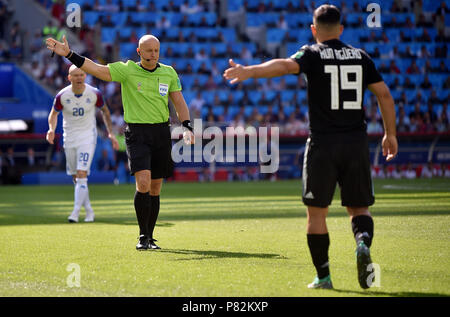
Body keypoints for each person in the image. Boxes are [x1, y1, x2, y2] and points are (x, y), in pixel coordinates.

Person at [224, 4, 398, 290]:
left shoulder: (311, 53)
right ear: (341, 28)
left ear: (314, 29)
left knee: (317, 214)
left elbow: (284, 66)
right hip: (356, 142)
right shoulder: (361, 57)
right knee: (359, 209)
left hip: (323, 143)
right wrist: (390, 134)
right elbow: (385, 95)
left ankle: (324, 276)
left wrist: (250, 71)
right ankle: (362, 243)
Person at [46, 34, 194, 251]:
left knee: (155, 188)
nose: (153, 54)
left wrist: (187, 125)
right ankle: (142, 236)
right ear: (139, 52)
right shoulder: (127, 70)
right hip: (137, 133)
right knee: (143, 182)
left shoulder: (168, 72)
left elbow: (178, 101)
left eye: (156, 50)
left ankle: (151, 237)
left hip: (161, 133)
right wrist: (69, 54)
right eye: (149, 50)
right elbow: (96, 69)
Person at [46, 65, 119, 223]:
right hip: (69, 138)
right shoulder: (62, 96)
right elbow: (53, 114)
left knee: (81, 173)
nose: (79, 78)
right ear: (69, 77)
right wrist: (51, 129)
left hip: (87, 137)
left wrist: (110, 132)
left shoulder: (94, 93)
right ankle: (89, 211)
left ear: (85, 76)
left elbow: (105, 111)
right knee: (76, 177)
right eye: (75, 75)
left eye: (81, 74)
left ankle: (75, 213)